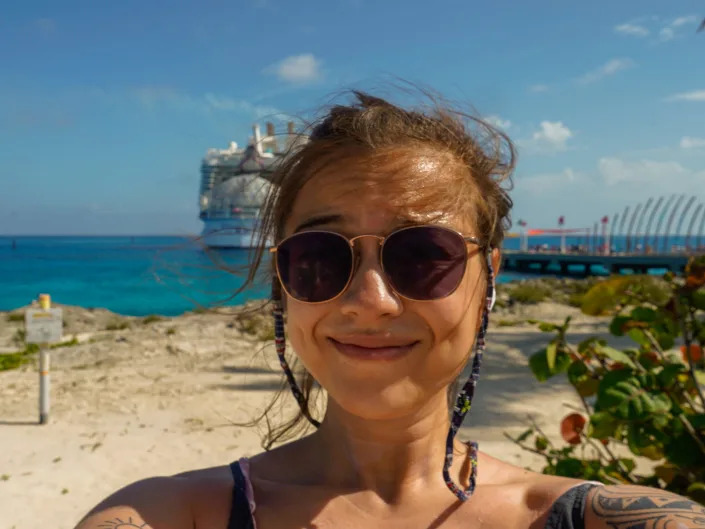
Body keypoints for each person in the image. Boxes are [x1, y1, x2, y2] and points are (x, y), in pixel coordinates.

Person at [75, 91, 704, 529]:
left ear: (490, 276)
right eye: (320, 257)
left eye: (424, 255)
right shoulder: (167, 516)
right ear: (282, 279)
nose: (370, 301)